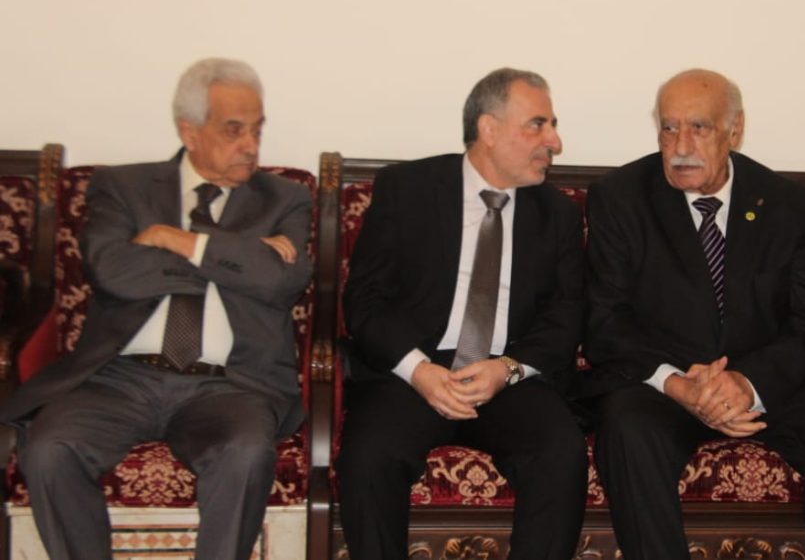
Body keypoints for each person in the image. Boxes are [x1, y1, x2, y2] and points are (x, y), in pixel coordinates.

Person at [0, 57, 313, 559]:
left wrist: (176, 239)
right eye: (233, 130)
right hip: (118, 377)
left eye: (257, 129)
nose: (251, 145)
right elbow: (113, 272)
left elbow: (282, 282)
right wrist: (241, 257)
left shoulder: (287, 199)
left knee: (245, 452)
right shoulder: (123, 187)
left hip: (232, 383)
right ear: (189, 130)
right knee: (49, 449)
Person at [582, 68, 805, 560]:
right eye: (669, 128)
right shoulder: (620, 197)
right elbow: (605, 321)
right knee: (627, 431)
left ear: (735, 129)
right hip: (667, 380)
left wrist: (746, 384)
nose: (681, 146)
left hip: (772, 377)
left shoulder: (790, 205)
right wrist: (680, 385)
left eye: (698, 127)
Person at [337, 68, 588, 560]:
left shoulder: (556, 213)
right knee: (368, 458)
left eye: (553, 125)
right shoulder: (407, 189)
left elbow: (566, 315)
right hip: (412, 372)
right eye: (537, 125)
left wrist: (507, 369)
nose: (554, 142)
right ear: (489, 129)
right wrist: (418, 370)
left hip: (507, 374)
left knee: (561, 452)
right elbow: (364, 301)